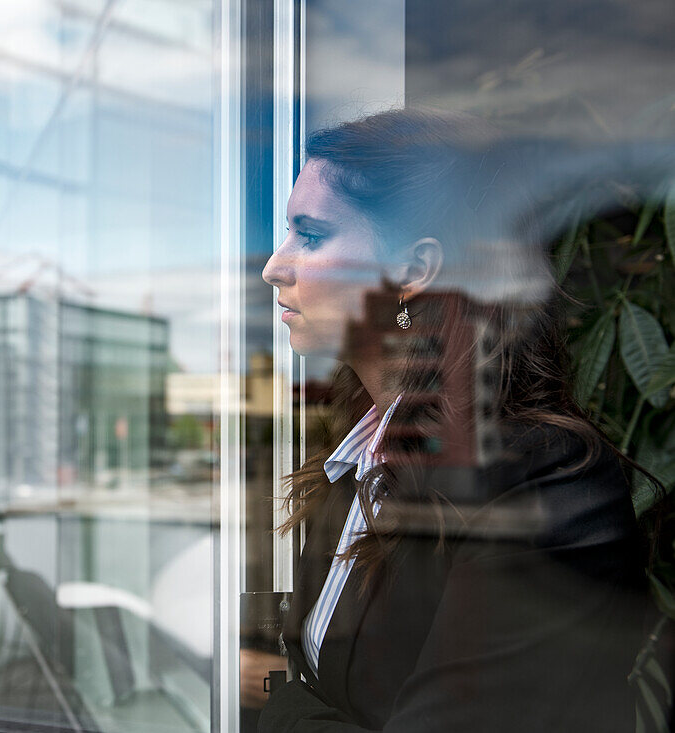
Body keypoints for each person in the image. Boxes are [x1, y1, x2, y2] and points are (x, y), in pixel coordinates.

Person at [258, 108, 655, 732]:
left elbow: (296, 697)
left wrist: (282, 716)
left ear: (414, 271)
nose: (274, 267)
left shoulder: (547, 484)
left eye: (310, 235)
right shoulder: (361, 466)